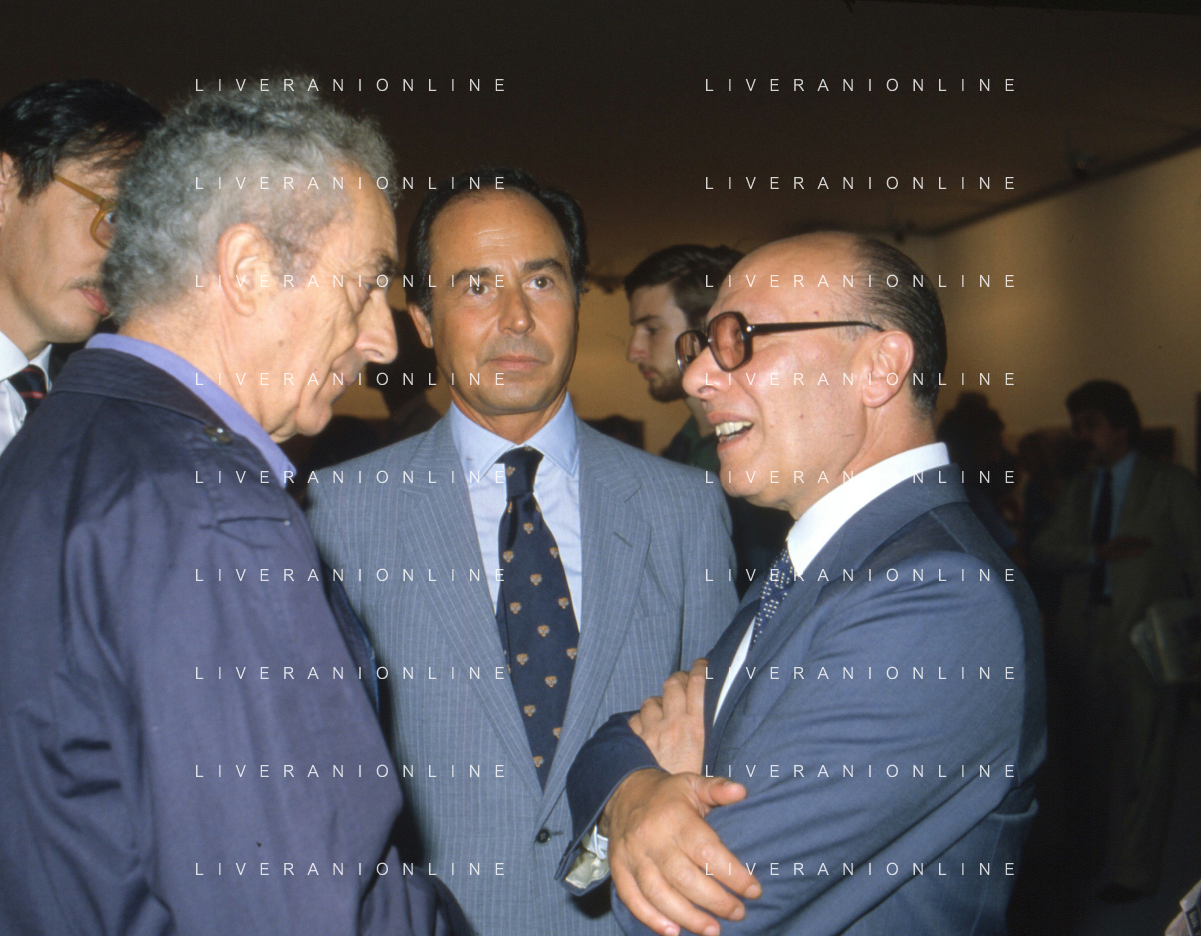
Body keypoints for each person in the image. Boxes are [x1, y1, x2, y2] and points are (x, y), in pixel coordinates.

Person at [0, 82, 462, 935]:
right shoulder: (215, 514)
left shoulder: (48, 448)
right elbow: (303, 910)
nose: (383, 339)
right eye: (366, 284)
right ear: (246, 270)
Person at [556, 232, 1047, 936]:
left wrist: (649, 783)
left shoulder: (938, 596)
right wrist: (639, 790)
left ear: (879, 367)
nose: (696, 377)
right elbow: (614, 741)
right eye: (700, 345)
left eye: (741, 339)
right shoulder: (817, 562)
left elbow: (691, 911)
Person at [305, 167, 739, 936]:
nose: (515, 317)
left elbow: (725, 749)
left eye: (542, 281)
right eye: (475, 286)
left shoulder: (684, 507)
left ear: (575, 299)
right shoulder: (336, 513)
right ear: (424, 320)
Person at [1032, 380, 1201, 902]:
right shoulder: (1079, 490)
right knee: (1083, 759)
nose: (1081, 436)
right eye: (1076, 426)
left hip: (1147, 639)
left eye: (1091, 425)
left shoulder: (1170, 483)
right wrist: (1096, 553)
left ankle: (1133, 870)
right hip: (1085, 639)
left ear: (1121, 426)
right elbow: (1043, 550)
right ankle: (1084, 857)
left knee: (1148, 761)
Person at [0, 79, 161, 455]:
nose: (126, 266)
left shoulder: (113, 426)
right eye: (114, 216)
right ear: (5, 187)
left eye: (146, 243)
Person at [625, 245, 791, 595]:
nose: (633, 352)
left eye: (651, 329)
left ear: (707, 329)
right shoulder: (679, 449)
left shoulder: (767, 455)